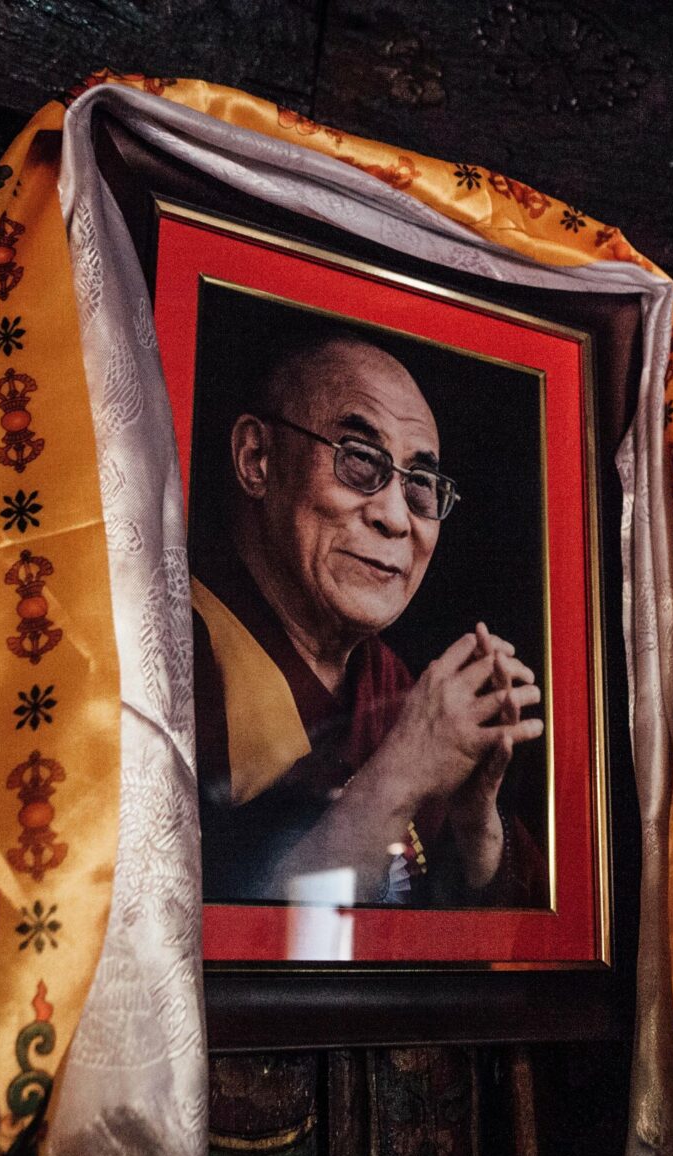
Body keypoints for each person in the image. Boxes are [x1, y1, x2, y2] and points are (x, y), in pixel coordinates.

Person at [192, 329, 545, 906]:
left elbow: (518, 953)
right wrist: (400, 777)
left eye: (422, 486)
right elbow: (184, 934)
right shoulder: (164, 658)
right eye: (359, 460)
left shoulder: (397, 691)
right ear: (257, 459)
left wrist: (473, 821)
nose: (395, 518)